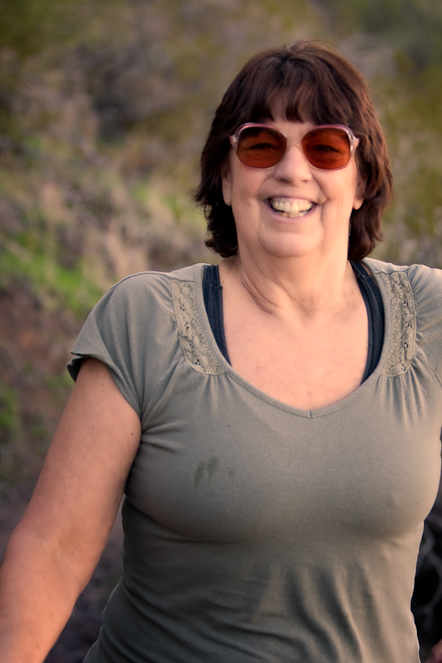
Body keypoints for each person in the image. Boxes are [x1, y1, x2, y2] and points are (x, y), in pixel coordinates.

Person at [0, 38, 441, 663]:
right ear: (227, 178)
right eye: (261, 145)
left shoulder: (428, 315)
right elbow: (54, 548)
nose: (293, 170)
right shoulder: (146, 321)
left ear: (362, 180)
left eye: (325, 147)